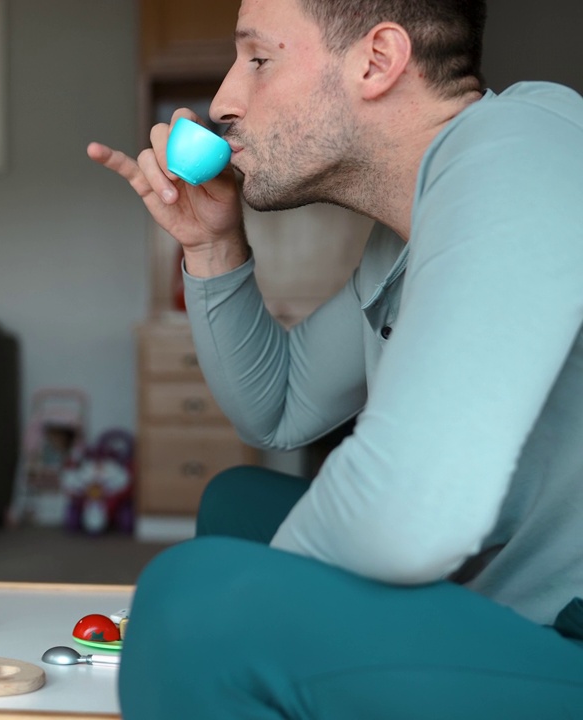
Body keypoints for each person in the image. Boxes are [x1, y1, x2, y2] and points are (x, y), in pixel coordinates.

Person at [89, 0, 583, 716]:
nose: (223, 102)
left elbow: (406, 520)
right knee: (238, 503)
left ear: (377, 62)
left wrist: (234, 610)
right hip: (514, 617)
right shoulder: (407, 228)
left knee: (194, 602)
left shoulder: (524, 146)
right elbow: (280, 411)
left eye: (258, 59)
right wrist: (211, 247)